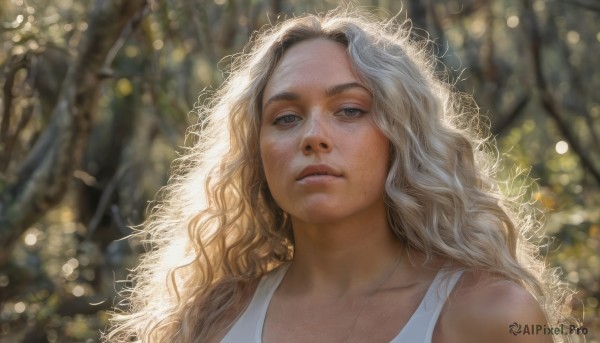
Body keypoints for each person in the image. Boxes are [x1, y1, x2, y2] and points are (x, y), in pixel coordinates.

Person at [105, 6, 571, 343]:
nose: (313, 136)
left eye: (349, 110)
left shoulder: (488, 315)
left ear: (400, 135)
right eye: (285, 117)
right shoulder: (212, 320)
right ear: (254, 153)